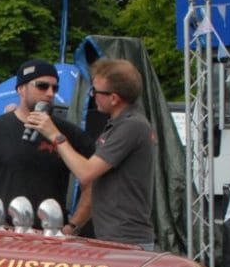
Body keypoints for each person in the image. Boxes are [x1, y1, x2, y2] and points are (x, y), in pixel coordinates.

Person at [29, 58, 156, 249]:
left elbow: (86, 173)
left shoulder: (132, 126)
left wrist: (54, 134)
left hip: (127, 239)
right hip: (111, 235)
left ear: (114, 98)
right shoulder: (117, 125)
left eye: (96, 91)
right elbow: (96, 182)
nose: (92, 95)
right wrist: (73, 227)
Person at [0, 58, 95, 221]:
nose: (50, 93)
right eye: (42, 86)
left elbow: (93, 181)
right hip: (1, 235)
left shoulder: (68, 132)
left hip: (49, 235)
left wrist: (73, 226)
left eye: (55, 88)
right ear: (21, 89)